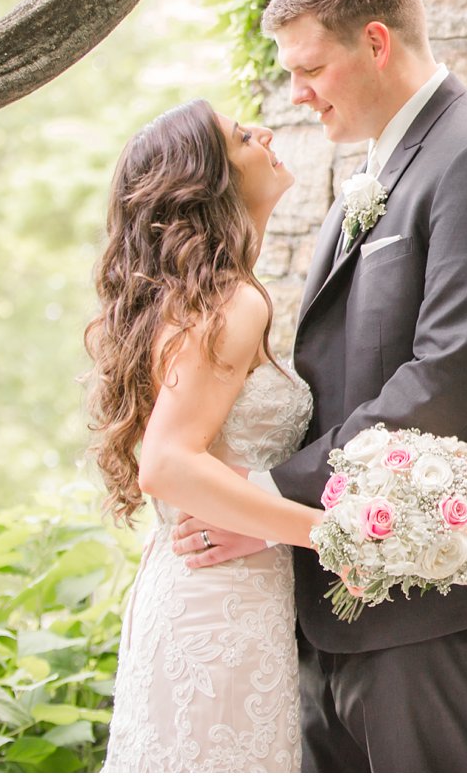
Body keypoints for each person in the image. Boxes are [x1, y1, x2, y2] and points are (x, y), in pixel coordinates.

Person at [170, 0, 467, 772]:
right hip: (350, 580)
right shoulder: (361, 184)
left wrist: (261, 504)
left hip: (454, 587)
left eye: (311, 68)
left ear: (375, 42)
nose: (297, 94)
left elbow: (446, 383)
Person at [86, 99, 322, 772]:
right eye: (244, 137)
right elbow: (167, 463)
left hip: (211, 592)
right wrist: (324, 531)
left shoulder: (209, 299)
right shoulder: (230, 304)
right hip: (217, 609)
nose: (267, 132)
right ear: (208, 182)